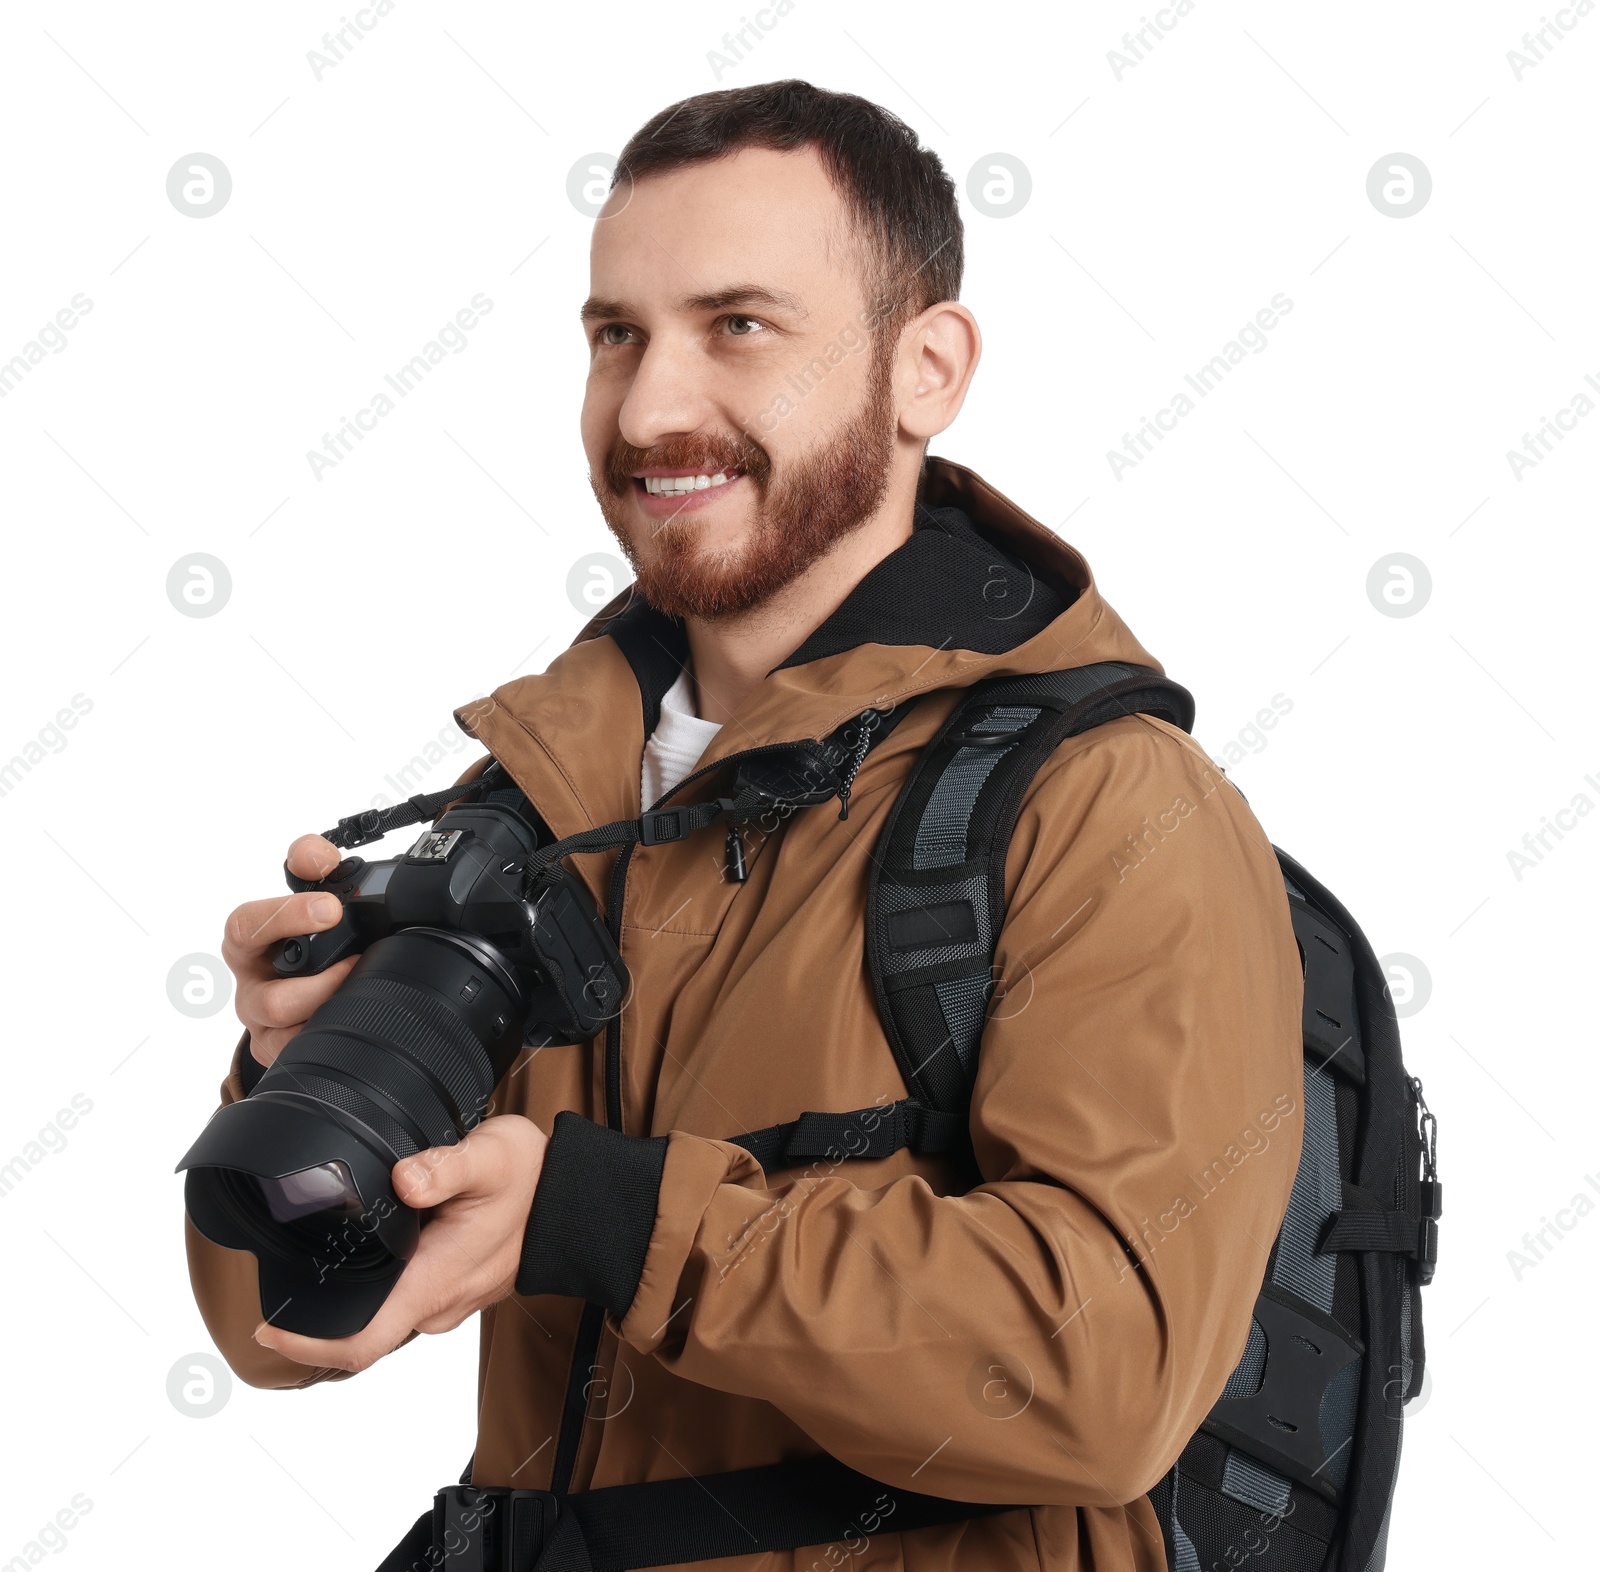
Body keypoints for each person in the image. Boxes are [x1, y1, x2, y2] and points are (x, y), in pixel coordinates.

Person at [189, 80, 1304, 1572]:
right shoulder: (536, 805)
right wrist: (299, 1071)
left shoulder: (1108, 806)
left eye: (739, 327)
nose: (650, 410)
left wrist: (610, 1220)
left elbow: (1109, 1375)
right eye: (615, 335)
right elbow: (280, 1334)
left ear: (927, 369)